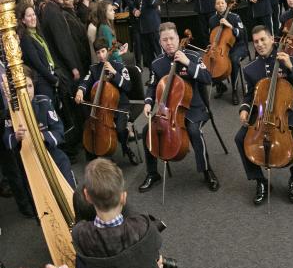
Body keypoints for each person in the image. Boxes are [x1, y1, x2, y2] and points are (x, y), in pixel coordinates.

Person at [236, 25, 293, 205]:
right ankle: (260, 181)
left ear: (272, 39)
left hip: (289, 110)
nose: (260, 44)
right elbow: (249, 95)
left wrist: (290, 67)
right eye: (256, 42)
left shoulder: (290, 58)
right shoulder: (250, 69)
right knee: (240, 138)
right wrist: (245, 109)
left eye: (263, 39)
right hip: (263, 112)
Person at [138, 23, 218, 193]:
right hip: (169, 110)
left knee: (194, 130)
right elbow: (152, 86)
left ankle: (206, 170)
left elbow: (207, 78)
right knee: (147, 131)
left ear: (177, 38)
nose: (169, 43)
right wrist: (147, 102)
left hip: (195, 107)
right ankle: (152, 173)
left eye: (171, 38)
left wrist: (188, 63)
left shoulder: (193, 56)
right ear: (160, 42)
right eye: (164, 40)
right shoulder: (157, 64)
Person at [2, 71, 76, 187]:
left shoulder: (44, 102)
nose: (27, 90)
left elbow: (59, 132)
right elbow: (7, 141)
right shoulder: (9, 114)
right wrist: (16, 137)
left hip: (53, 155)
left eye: (30, 86)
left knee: (69, 183)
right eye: (21, 87)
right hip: (29, 162)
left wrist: (42, 136)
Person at [74, 37, 139, 165]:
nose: (101, 55)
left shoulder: (119, 66)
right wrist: (80, 90)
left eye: (103, 51)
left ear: (108, 50)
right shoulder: (94, 69)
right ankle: (98, 154)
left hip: (120, 104)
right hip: (102, 108)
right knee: (90, 125)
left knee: (120, 130)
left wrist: (114, 73)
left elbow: (128, 86)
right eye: (98, 53)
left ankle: (126, 148)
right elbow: (85, 81)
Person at [208, 0, 247, 104]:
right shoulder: (212, 20)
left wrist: (230, 26)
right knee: (210, 60)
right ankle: (220, 86)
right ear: (215, 6)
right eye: (218, 3)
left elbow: (242, 34)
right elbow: (211, 36)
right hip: (221, 48)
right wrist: (210, 46)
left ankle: (234, 90)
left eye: (222, 3)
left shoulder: (235, 17)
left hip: (238, 46)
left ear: (226, 4)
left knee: (233, 60)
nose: (220, 5)